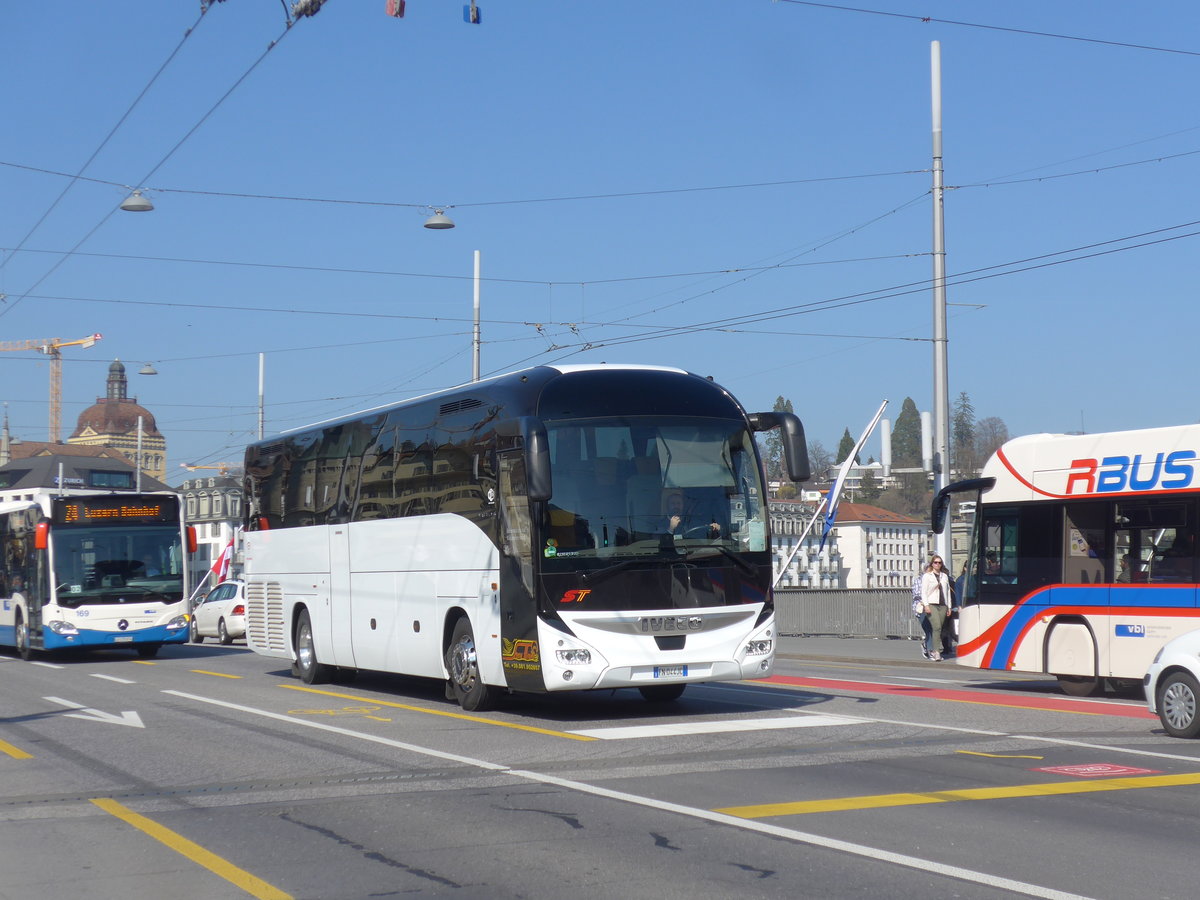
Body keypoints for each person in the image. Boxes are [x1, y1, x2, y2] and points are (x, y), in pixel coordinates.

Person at [920, 555, 953, 661]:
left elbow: (947, 592)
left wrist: (949, 607)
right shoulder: (927, 576)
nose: (937, 564)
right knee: (937, 627)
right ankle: (936, 652)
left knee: (940, 628)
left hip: (943, 604)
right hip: (932, 604)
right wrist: (926, 605)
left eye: (939, 563)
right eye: (935, 562)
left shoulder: (944, 576)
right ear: (932, 564)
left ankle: (935, 650)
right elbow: (923, 592)